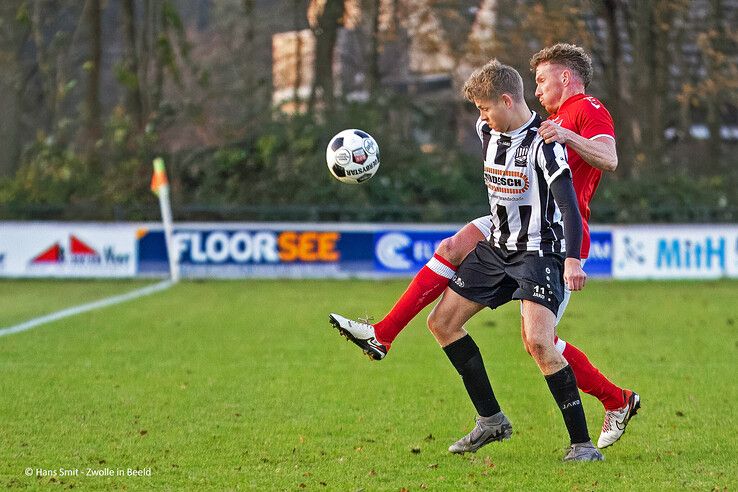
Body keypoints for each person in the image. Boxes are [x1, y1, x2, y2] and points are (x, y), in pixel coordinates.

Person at [329, 43, 639, 449]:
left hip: (555, 234)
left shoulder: (585, 109)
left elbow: (610, 158)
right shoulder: (533, 121)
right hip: (511, 225)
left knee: (540, 343)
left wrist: (564, 135)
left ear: (566, 77)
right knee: (454, 247)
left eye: (542, 79)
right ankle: (383, 334)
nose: (538, 88)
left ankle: (615, 400)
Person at [436, 59, 598, 460]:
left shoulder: (546, 146)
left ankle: (582, 444)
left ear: (507, 101)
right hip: (497, 249)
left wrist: (572, 261)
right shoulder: (485, 131)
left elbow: (570, 211)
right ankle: (491, 421)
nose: (482, 118)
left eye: (486, 108)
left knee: (540, 342)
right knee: (442, 323)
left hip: (539, 253)